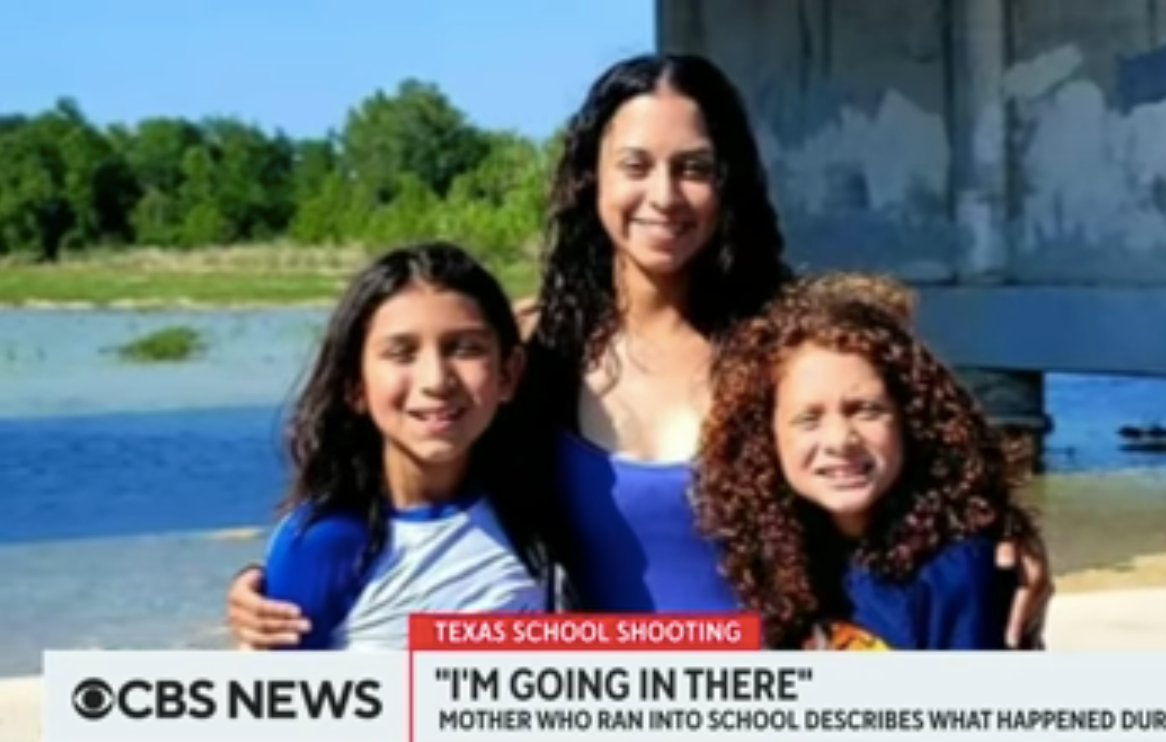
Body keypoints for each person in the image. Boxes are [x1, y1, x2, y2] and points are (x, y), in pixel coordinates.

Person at [223, 52, 1051, 647]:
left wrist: (1006, 542)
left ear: (728, 186)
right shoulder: (532, 346)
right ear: (593, 179)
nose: (663, 195)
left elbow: (913, 447)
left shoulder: (786, 341)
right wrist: (279, 584)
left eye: (692, 167)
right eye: (635, 165)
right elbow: (411, 473)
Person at [692, 274, 1040, 650]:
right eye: (808, 419)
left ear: (911, 419)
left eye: (867, 410)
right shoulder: (766, 558)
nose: (840, 440)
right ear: (766, 437)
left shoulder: (957, 571)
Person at [259, 241, 551, 649]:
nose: (435, 380)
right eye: (401, 353)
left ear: (508, 373)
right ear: (355, 385)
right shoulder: (325, 540)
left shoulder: (537, 508)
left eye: (464, 348)